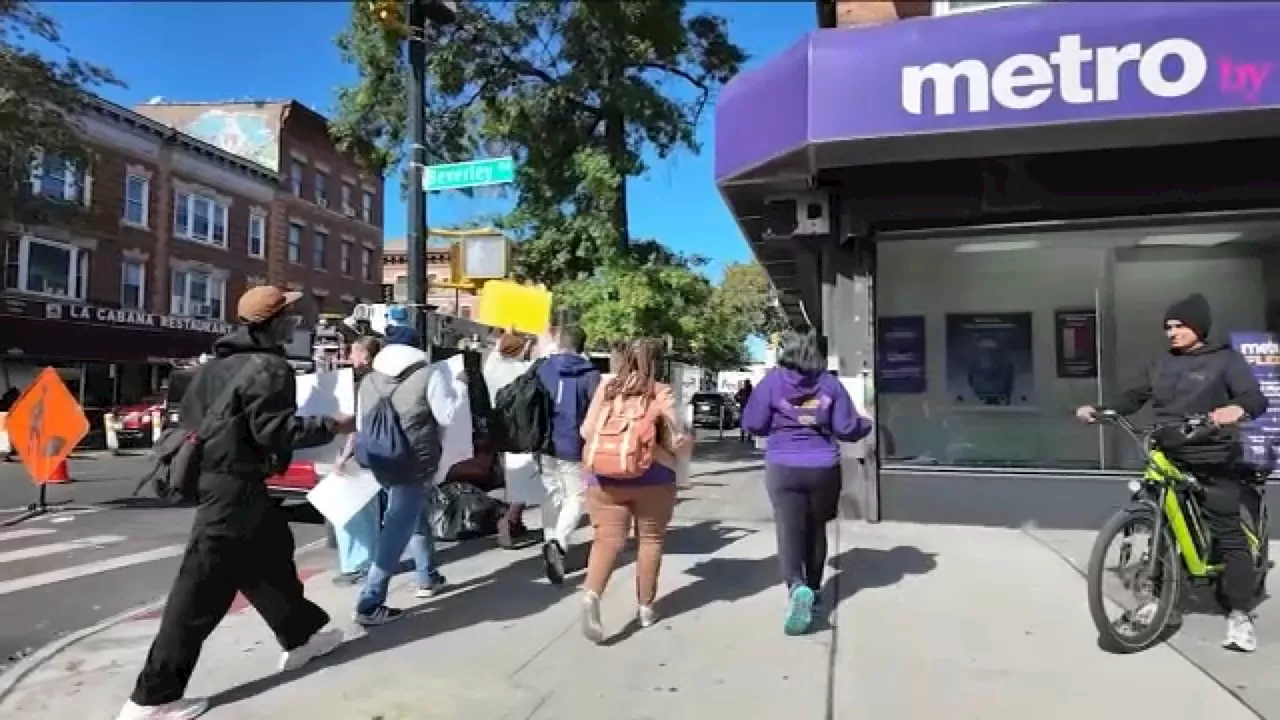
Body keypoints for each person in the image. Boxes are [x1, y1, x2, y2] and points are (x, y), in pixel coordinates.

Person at [118, 286, 354, 720]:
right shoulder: (270, 367)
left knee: (270, 560)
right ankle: (153, 699)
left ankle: (302, 637)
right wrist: (333, 425)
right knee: (197, 592)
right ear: (275, 324)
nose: (296, 323)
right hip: (234, 490)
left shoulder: (215, 367)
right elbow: (275, 432)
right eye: (291, 317)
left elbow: (195, 423)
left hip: (223, 483)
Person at [1075, 293, 1267, 652]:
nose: (1172, 332)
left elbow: (1255, 398)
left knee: (1227, 532)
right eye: (1168, 327)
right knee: (1160, 529)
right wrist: (1102, 410)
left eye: (1179, 325)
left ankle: (1240, 614)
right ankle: (1158, 598)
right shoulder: (1160, 364)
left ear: (1199, 327)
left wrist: (1235, 409)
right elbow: (1132, 398)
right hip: (1168, 453)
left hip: (1212, 456)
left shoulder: (1226, 361)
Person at [742, 330, 872, 636]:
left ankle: (796, 587)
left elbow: (753, 424)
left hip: (783, 467)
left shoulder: (772, 383)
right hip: (823, 468)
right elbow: (846, 427)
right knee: (816, 529)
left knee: (788, 530)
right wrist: (865, 423)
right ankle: (813, 589)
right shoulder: (829, 383)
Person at [579, 339, 690, 643]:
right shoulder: (661, 391)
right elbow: (674, 439)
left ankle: (591, 594)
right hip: (654, 479)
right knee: (650, 541)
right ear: (657, 362)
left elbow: (586, 431)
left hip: (603, 478)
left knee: (606, 540)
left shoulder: (607, 388)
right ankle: (645, 608)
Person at [353, 324, 453, 626]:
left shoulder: (368, 379)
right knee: (397, 525)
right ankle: (370, 602)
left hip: (380, 458)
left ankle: (427, 576)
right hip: (415, 460)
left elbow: (361, 423)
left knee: (409, 514)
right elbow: (446, 415)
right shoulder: (429, 373)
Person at [536, 324, 602, 585]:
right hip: (575, 444)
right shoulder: (591, 375)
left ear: (559, 342)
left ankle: (551, 545)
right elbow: (596, 412)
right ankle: (558, 542)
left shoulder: (542, 368)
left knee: (551, 495)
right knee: (575, 497)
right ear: (582, 345)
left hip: (543, 442)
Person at [332, 336, 385, 587]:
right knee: (368, 509)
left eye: (353, 353)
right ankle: (368, 559)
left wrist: (344, 456)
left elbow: (355, 425)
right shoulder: (380, 380)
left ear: (365, 356)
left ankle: (357, 564)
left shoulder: (359, 383)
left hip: (359, 453)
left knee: (352, 511)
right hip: (375, 451)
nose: (349, 358)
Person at [483, 332, 544, 548]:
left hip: (498, 428)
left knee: (512, 478)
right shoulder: (522, 371)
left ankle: (515, 522)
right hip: (521, 429)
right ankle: (509, 521)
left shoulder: (491, 368)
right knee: (524, 478)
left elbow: (496, 353)